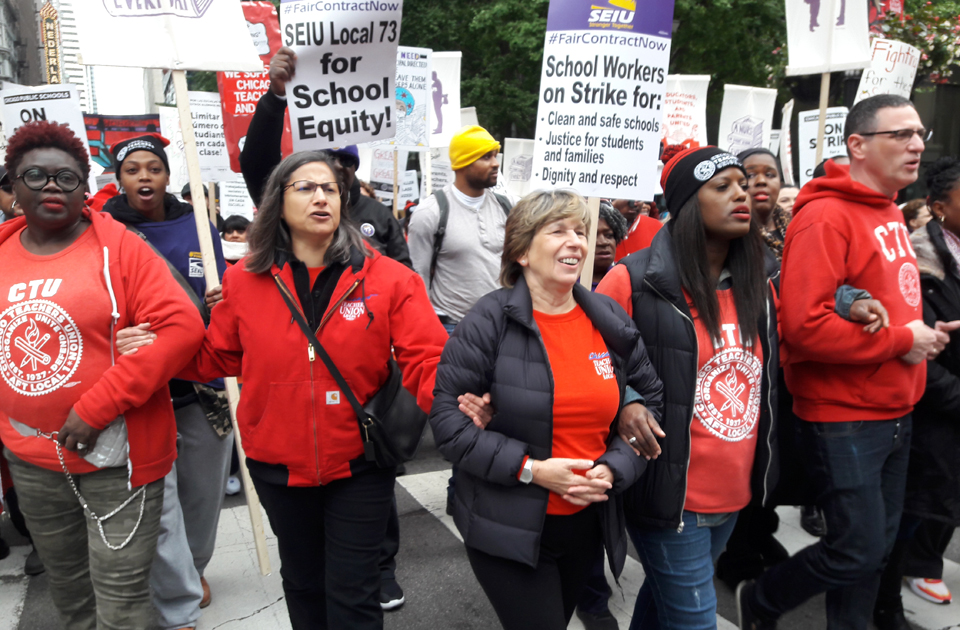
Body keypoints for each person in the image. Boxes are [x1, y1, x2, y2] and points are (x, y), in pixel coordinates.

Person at [174, 151, 448, 629]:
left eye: (329, 189)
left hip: (359, 464)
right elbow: (216, 358)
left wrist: (458, 406)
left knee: (354, 591)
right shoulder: (242, 282)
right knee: (301, 582)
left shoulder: (388, 278)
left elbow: (427, 358)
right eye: (305, 187)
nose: (321, 196)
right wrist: (158, 341)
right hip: (276, 464)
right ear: (276, 203)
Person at [736, 94, 954, 630]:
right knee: (856, 549)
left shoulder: (887, 212)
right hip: (845, 416)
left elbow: (884, 303)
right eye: (899, 134)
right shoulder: (827, 216)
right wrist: (902, 341)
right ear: (857, 145)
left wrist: (926, 332)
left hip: (897, 410)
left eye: (919, 133)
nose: (917, 144)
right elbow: (803, 329)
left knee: (874, 550)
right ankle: (760, 600)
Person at [0, 120, 205, 628]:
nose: (52, 186)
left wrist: (97, 406)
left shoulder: (121, 248)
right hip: (31, 459)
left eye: (67, 178)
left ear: (84, 188)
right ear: (13, 186)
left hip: (116, 458)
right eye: (37, 176)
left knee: (122, 600)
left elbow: (182, 326)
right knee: (70, 596)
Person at [430, 189, 662, 630]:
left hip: (585, 525)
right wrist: (531, 469)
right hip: (506, 526)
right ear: (521, 251)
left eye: (580, 231)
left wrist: (614, 468)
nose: (575, 241)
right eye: (557, 231)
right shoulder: (489, 320)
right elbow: (447, 423)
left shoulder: (608, 317)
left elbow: (650, 404)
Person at [597, 147, 779, 630]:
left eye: (743, 184)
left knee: (661, 608)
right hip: (672, 497)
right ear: (685, 206)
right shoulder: (633, 280)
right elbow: (586, 359)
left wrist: (852, 299)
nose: (742, 193)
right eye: (722, 187)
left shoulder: (760, 279)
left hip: (734, 492)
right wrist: (628, 402)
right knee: (695, 621)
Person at [103, 133, 233, 628]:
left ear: (167, 175)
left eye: (152, 168)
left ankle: (194, 567)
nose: (144, 177)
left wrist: (223, 303)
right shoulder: (106, 229)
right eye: (133, 169)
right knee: (157, 500)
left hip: (201, 384)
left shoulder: (199, 226)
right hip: (142, 386)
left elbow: (222, 290)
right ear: (119, 178)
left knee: (203, 491)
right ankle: (173, 582)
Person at [871, 156, 960, 630]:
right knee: (902, 520)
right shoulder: (917, 261)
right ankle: (884, 607)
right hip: (926, 412)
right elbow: (917, 346)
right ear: (939, 207)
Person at [240, 47, 410, 267]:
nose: (337, 166)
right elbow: (256, 164)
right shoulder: (286, 202)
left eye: (346, 160)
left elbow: (405, 276)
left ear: (355, 167)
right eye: (328, 158)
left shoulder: (379, 215)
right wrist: (275, 97)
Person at [408, 124, 515, 332]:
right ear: (463, 163)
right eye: (486, 157)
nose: (495, 164)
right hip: (451, 328)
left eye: (495, 156)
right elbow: (417, 278)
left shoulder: (509, 206)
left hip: (502, 326)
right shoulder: (430, 213)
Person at [739, 148, 791, 260]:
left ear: (780, 183)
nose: (761, 181)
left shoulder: (798, 228)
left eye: (769, 174)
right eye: (750, 175)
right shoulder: (731, 236)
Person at [591, 201, 628, 289]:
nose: (603, 242)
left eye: (609, 235)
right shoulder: (565, 283)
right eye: (593, 236)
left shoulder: (629, 279)